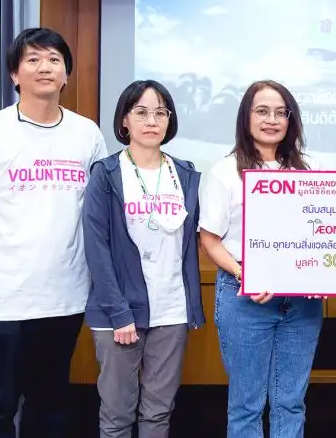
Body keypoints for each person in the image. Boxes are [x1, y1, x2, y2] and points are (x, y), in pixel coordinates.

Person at [0, 28, 108, 438]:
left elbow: (97, 209)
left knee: (50, 408)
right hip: (8, 301)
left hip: (66, 297)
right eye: (33, 59)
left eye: (54, 60)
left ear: (66, 74)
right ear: (15, 74)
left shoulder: (87, 133)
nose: (44, 67)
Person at [199, 80, 323, 438]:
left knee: (291, 403)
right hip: (245, 297)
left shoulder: (309, 169)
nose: (272, 120)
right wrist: (245, 274)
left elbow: (320, 231)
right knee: (246, 406)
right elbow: (209, 239)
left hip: (301, 304)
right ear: (246, 117)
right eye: (262, 111)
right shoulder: (225, 172)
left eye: (281, 113)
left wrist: (319, 274)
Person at [82, 80, 205, 438]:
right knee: (116, 416)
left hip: (172, 311)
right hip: (118, 313)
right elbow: (97, 249)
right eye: (141, 112)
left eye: (160, 113)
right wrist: (119, 313)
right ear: (124, 120)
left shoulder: (184, 173)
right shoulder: (106, 173)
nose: (152, 121)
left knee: (158, 414)